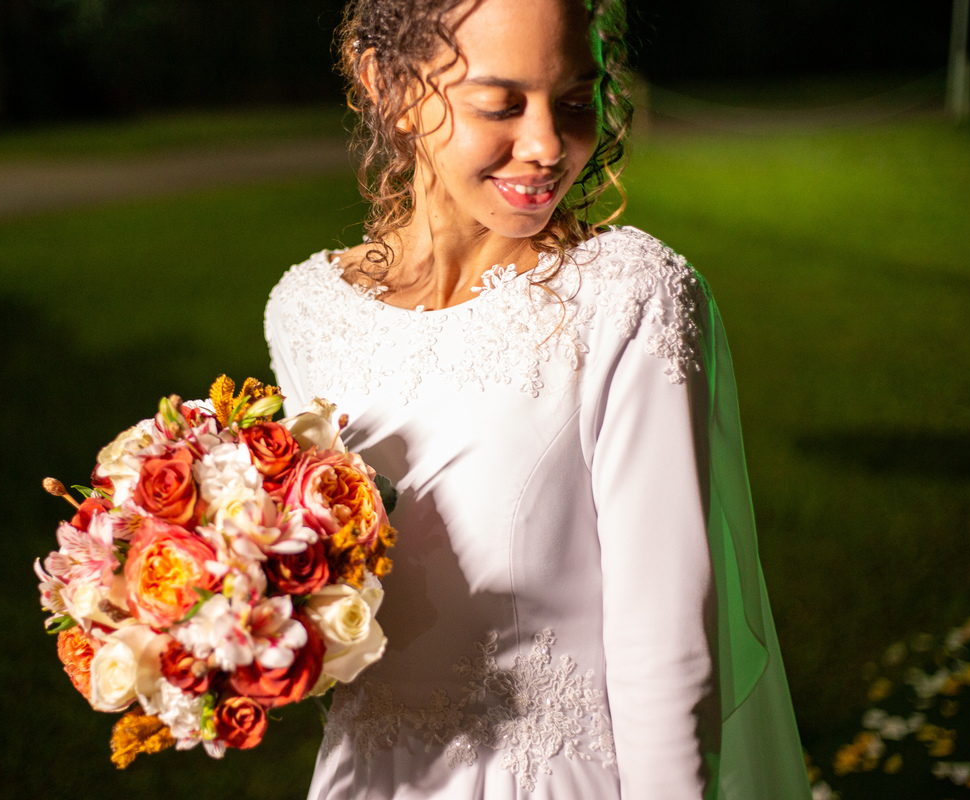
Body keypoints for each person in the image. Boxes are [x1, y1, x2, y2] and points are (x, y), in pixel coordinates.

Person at [264, 0, 810, 797]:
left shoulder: (630, 299)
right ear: (390, 84)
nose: (549, 145)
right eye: (501, 104)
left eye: (578, 100)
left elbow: (667, 653)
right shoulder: (307, 313)